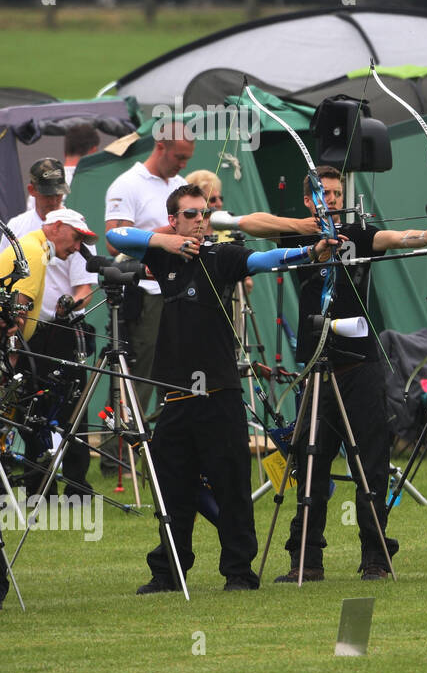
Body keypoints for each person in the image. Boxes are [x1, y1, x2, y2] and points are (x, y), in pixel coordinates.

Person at [105, 185, 334, 593]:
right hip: (175, 396)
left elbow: (264, 259)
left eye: (203, 215)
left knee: (231, 487)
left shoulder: (220, 256)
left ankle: (239, 573)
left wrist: (307, 252)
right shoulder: (162, 253)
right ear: (173, 219)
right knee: (173, 491)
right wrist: (165, 241)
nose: (198, 221)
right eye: (189, 214)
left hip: (219, 394)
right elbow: (116, 237)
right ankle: (169, 572)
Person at [245, 166, 427, 582]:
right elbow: (244, 223)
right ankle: (306, 561)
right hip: (316, 369)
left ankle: (376, 557)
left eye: (336, 192)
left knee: (371, 464)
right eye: (322, 194)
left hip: (360, 366)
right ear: (309, 200)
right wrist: (305, 228)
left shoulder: (360, 234)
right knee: (310, 462)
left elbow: (402, 238)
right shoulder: (298, 236)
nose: (331, 199)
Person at [6, 161, 98, 497]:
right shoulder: (23, 233)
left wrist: (69, 308)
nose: (53, 199)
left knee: (73, 408)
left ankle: (75, 488)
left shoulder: (69, 227)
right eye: (47, 193)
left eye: (58, 192)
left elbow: (85, 284)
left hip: (63, 329)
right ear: (32, 190)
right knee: (30, 410)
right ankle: (36, 488)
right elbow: (11, 298)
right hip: (27, 335)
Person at [103, 122, 194, 419]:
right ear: (160, 147)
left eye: (187, 159)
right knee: (140, 373)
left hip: (176, 292)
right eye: (179, 157)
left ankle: (163, 449)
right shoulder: (127, 184)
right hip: (144, 294)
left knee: (174, 374)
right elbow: (114, 243)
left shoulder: (179, 183)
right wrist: (167, 234)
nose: (183, 164)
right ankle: (122, 451)